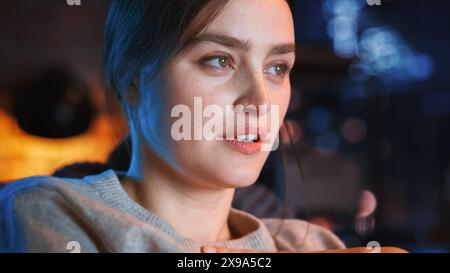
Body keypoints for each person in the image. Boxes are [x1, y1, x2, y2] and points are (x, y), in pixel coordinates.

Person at [0, 0, 345, 253]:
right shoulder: (47, 213)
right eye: (219, 60)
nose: (261, 102)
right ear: (131, 80)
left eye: (277, 68)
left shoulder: (314, 245)